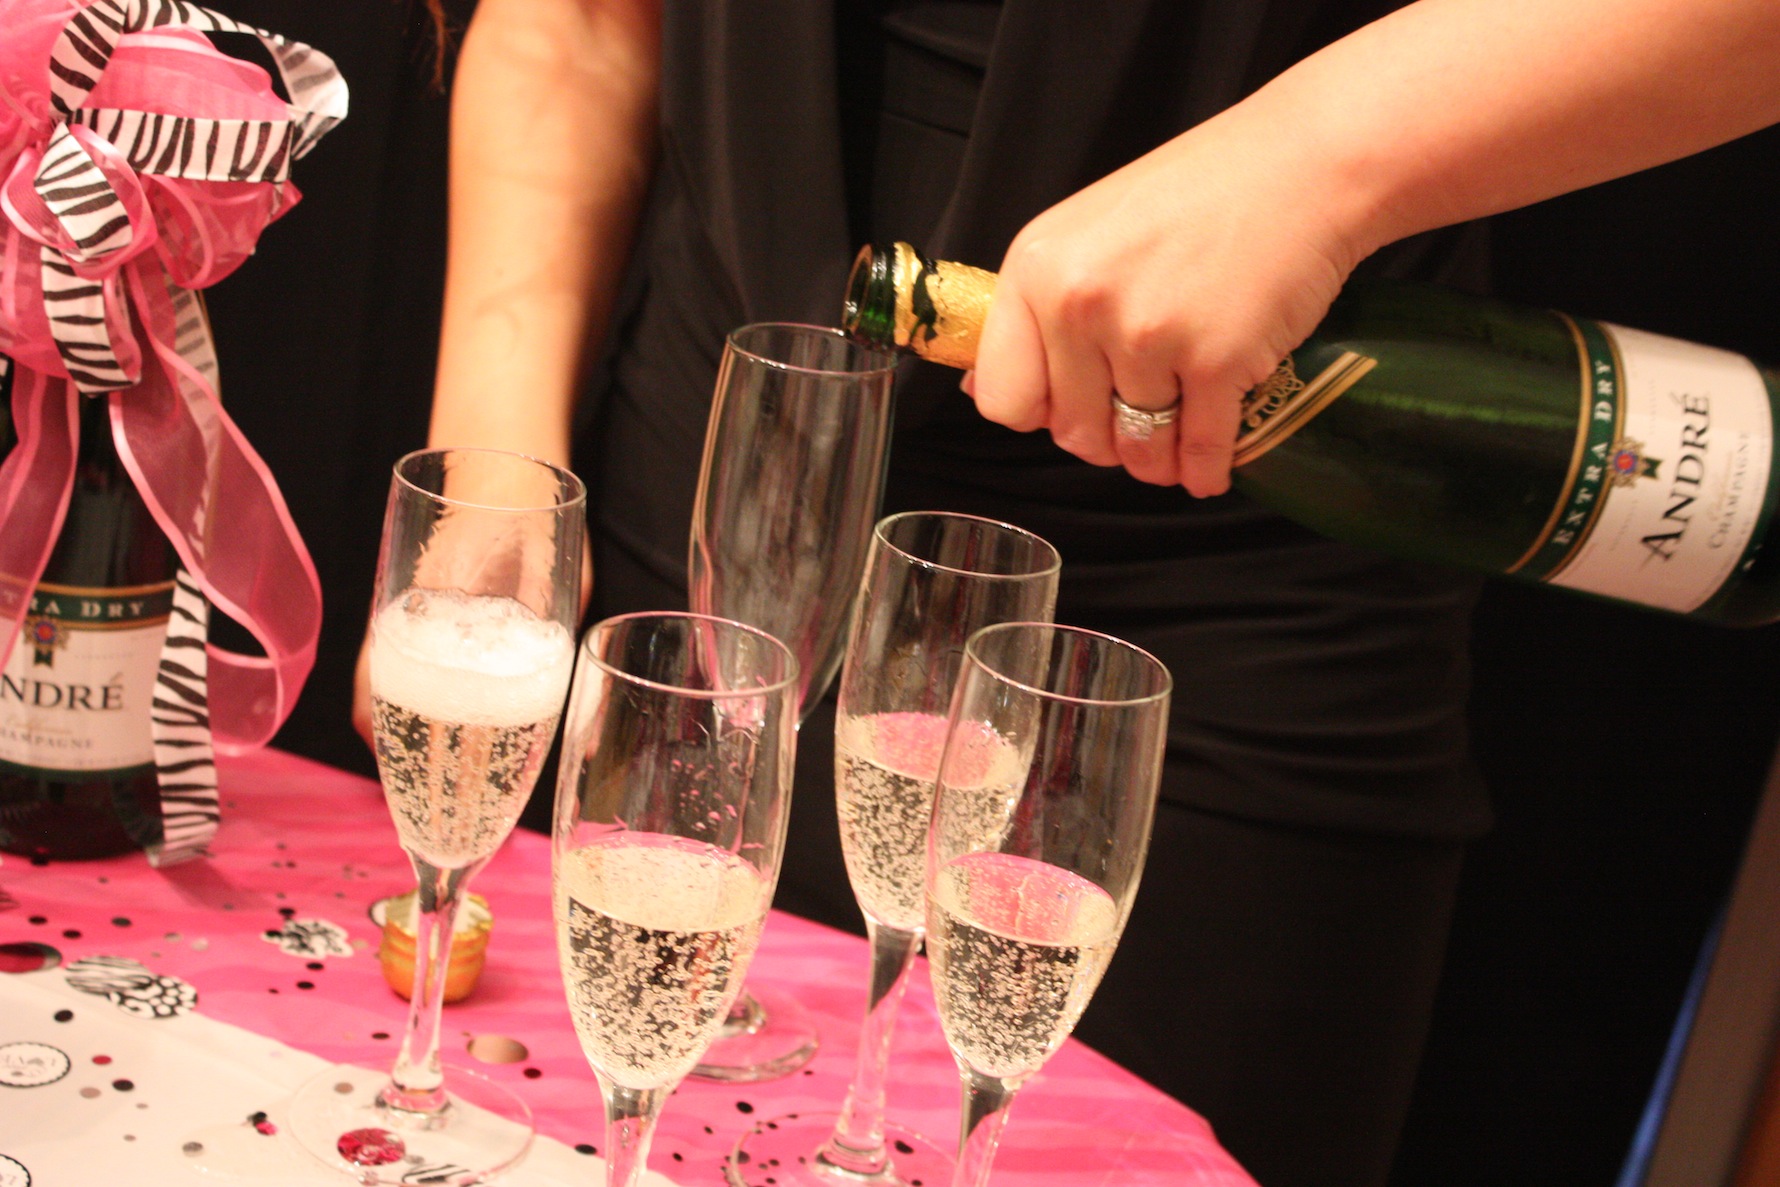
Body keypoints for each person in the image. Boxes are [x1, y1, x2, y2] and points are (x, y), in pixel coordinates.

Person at [356, 3, 1780, 1184]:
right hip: (717, 551)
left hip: (1209, 622)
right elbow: (582, 25)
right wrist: (497, 492)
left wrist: (1316, 161)